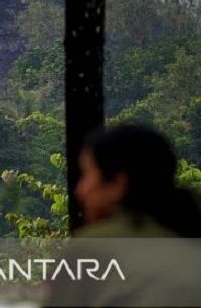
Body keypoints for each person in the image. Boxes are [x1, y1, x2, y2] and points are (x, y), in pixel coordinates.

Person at [49, 124, 201, 305]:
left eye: (87, 174)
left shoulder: (94, 246)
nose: (80, 190)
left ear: (117, 184)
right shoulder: (186, 238)